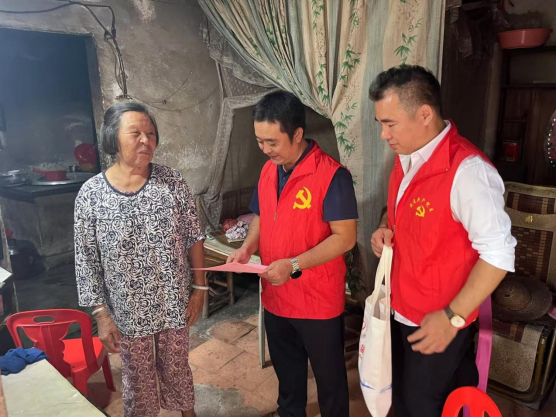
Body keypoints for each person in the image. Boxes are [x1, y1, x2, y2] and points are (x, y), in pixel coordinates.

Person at [369, 66, 517, 417]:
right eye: (380, 124)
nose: (383, 135)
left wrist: (452, 317)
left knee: (426, 406)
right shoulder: (407, 156)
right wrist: (384, 227)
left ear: (424, 114)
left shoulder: (468, 172)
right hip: (401, 309)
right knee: (402, 400)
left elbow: (499, 253)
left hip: (439, 321)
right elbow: (398, 210)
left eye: (390, 124)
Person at [227, 91, 358, 417]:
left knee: (330, 382)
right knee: (288, 378)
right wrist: (247, 248)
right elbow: (260, 216)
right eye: (259, 141)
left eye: (272, 142)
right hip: (276, 296)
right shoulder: (268, 171)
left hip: (317, 301)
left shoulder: (332, 176)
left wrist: (295, 264)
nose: (264, 149)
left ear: (297, 134)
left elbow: (345, 238)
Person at [75, 101, 206, 418]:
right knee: (138, 380)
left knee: (178, 368)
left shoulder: (172, 182)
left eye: (151, 133)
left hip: (173, 303)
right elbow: (86, 260)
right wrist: (101, 314)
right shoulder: (91, 194)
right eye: (135, 133)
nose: (146, 140)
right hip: (127, 312)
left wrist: (200, 289)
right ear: (113, 139)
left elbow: (194, 236)